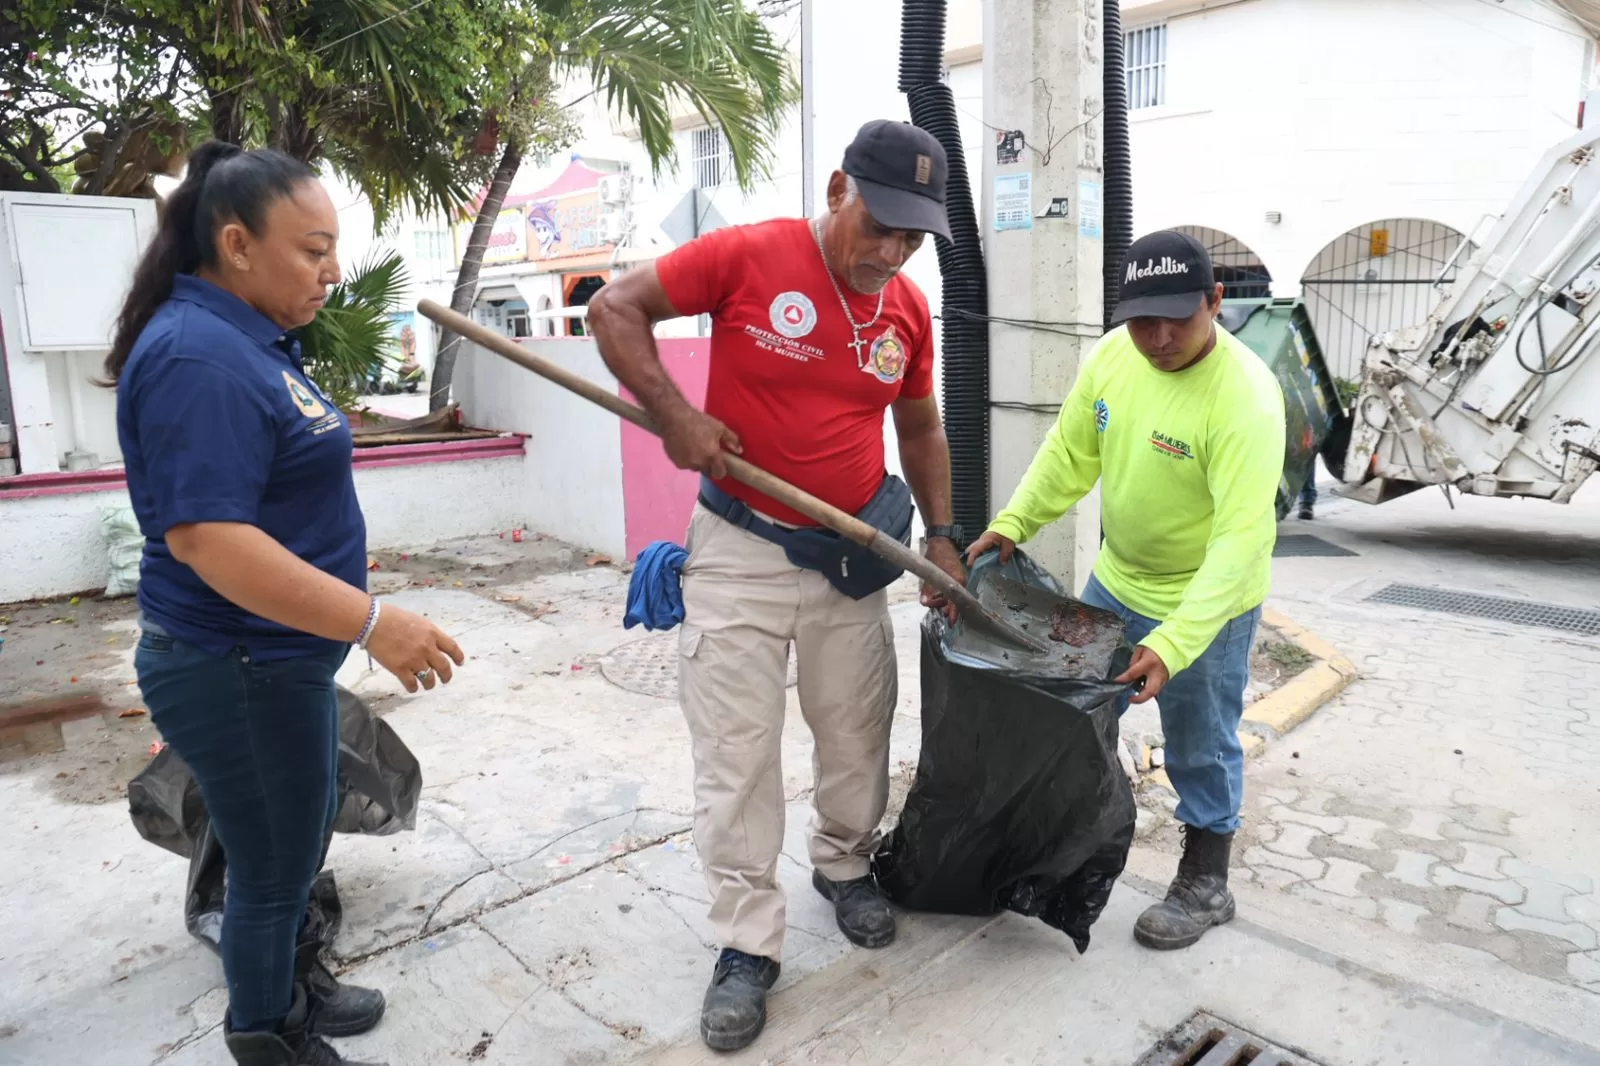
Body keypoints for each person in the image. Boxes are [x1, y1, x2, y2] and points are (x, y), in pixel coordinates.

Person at [588, 119, 966, 1052]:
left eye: (912, 237)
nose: (890, 251)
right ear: (839, 188)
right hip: (740, 550)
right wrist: (675, 416)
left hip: (851, 557)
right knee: (737, 752)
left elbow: (919, 430)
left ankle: (843, 867)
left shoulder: (908, 312)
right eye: (879, 225)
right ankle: (746, 942)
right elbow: (611, 310)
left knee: (856, 731)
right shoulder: (750, 256)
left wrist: (947, 535)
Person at [106, 142, 466, 1066]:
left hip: (274, 659)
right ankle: (269, 1032)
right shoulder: (199, 357)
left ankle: (293, 982)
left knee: (292, 842)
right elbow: (211, 541)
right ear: (235, 243)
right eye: (313, 248)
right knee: (270, 866)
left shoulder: (246, 340)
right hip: (238, 665)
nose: (332, 270)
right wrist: (376, 623)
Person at [966, 229, 1286, 953]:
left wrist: (1173, 643)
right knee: (1069, 713)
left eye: (1180, 317)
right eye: (1144, 319)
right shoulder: (1114, 356)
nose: (1161, 336)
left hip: (1208, 597)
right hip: (1117, 576)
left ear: (1215, 302)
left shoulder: (1246, 402)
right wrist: (1014, 523)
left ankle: (1207, 879)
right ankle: (1059, 846)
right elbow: (1071, 453)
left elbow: (1240, 544)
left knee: (1198, 742)